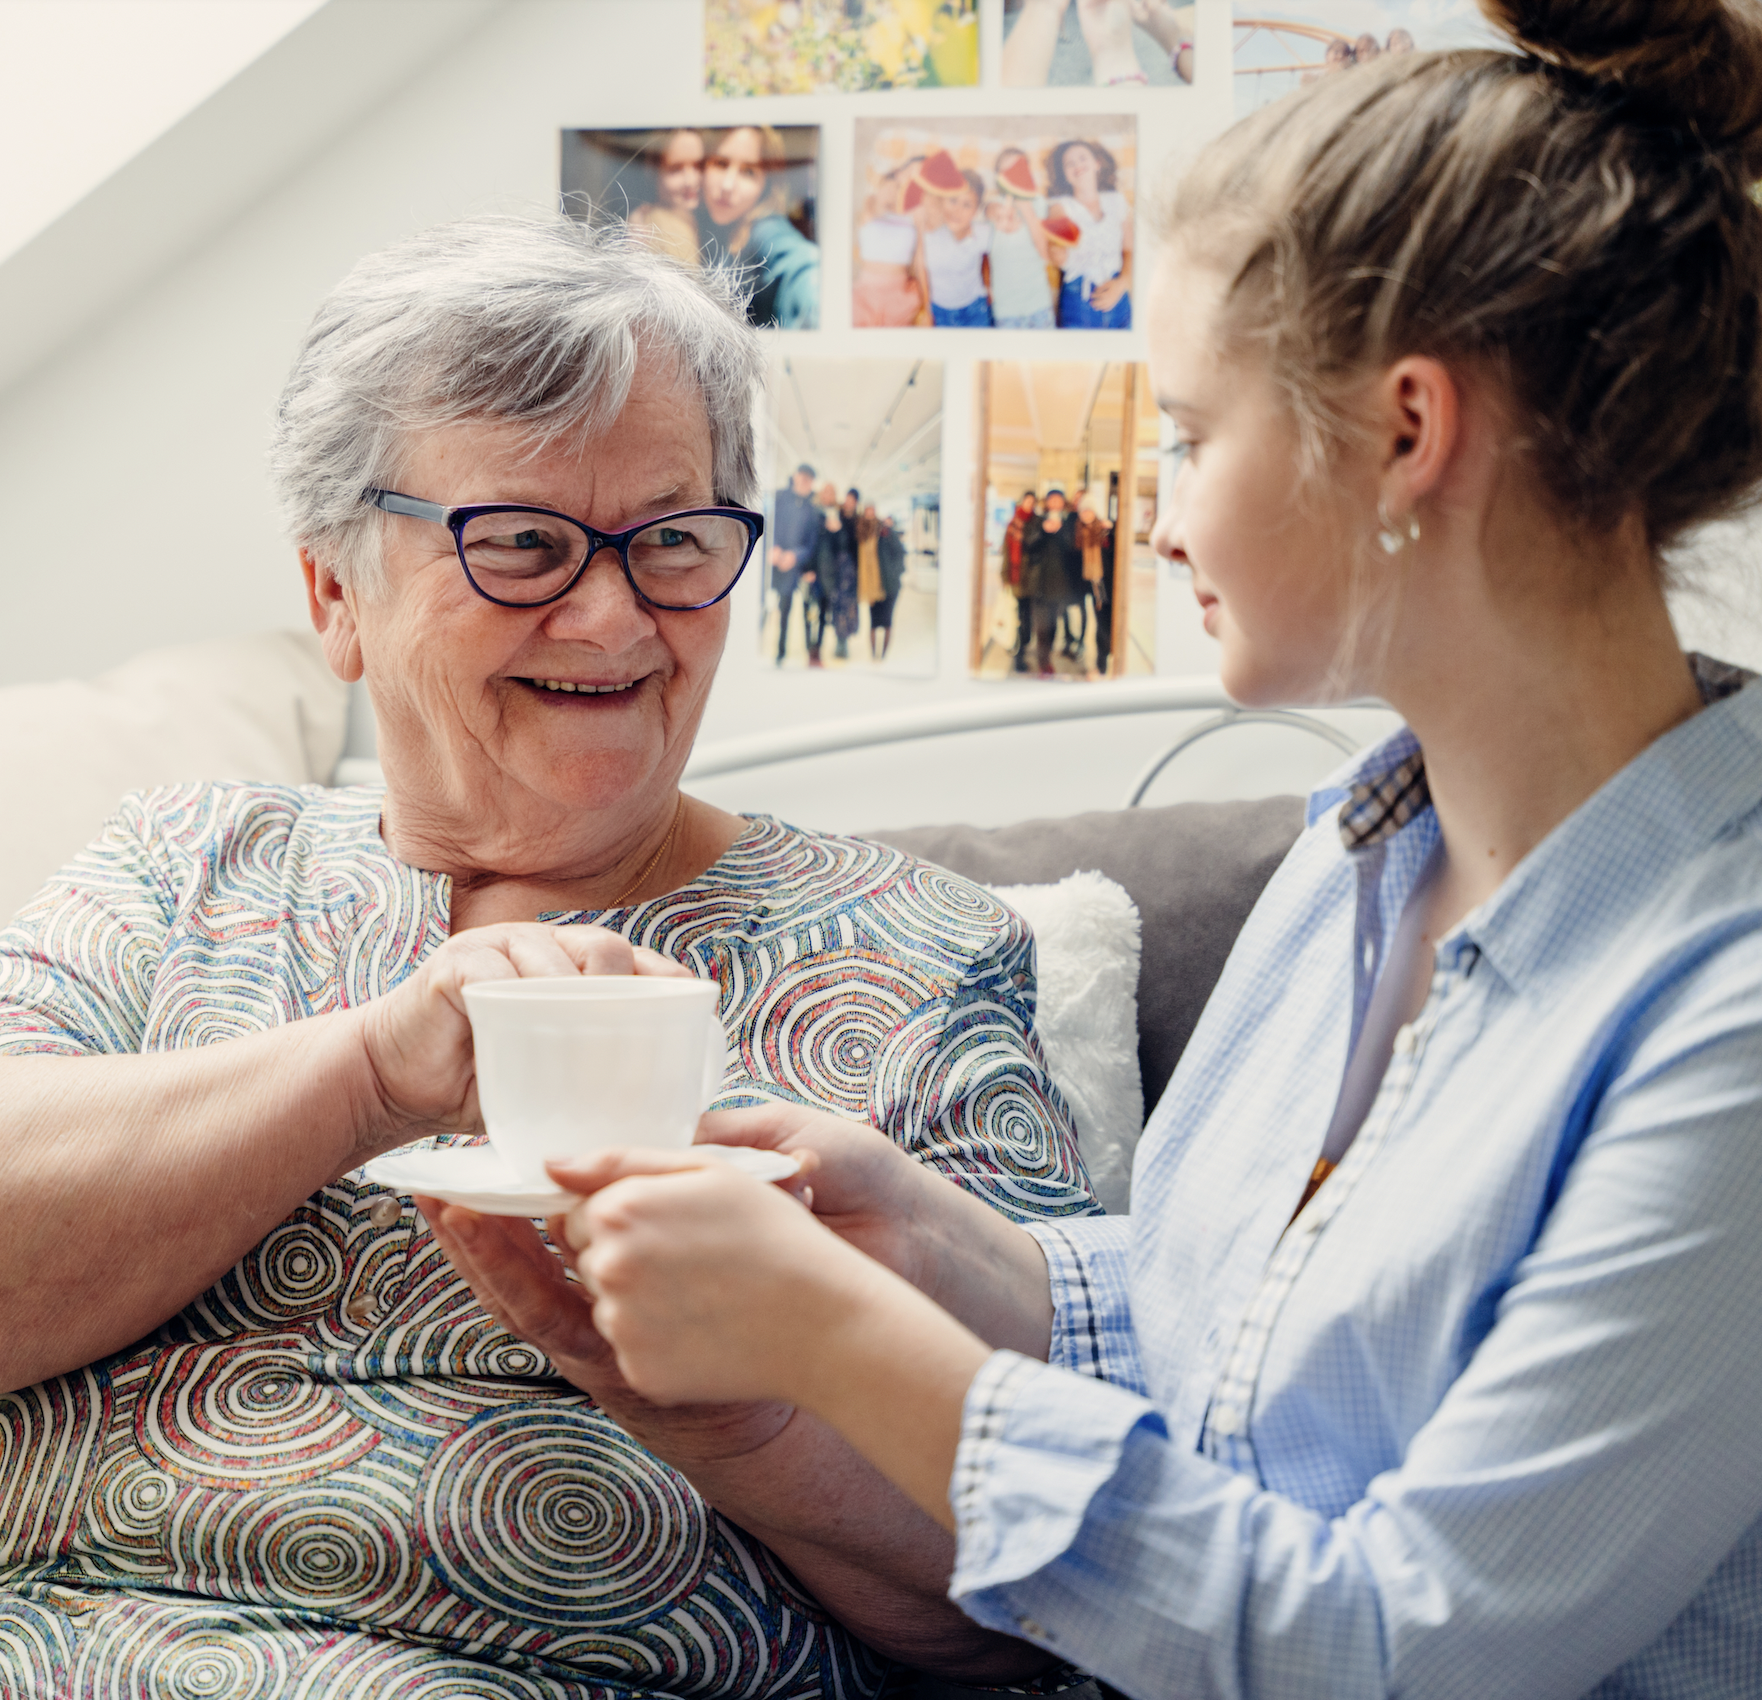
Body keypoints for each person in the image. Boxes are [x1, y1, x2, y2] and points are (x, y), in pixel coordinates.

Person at [457, 4, 1762, 1694]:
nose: (1155, 508)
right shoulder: (1366, 861)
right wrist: (914, 1240)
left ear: (1404, 433)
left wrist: (839, 1344)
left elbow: (1385, 1647)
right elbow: (1229, 1339)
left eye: (1192, 436)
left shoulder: (1720, 1015)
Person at [0, 216, 1099, 1696]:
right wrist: (370, 1074)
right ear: (335, 595)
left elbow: (1050, 1600)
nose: (609, 615)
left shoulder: (909, 958)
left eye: (671, 541)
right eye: (520, 544)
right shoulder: (184, 870)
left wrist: (744, 1424)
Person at [698, 124, 819, 329]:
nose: (727, 185)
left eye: (748, 172)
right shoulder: (712, 229)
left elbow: (801, 265)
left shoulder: (766, 230)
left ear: (766, 186)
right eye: (720, 163)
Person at [1046, 138, 1132, 329]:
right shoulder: (1059, 207)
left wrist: (1122, 283)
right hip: (1078, 301)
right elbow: (1058, 251)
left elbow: (1130, 250)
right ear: (1065, 175)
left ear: (1097, 164)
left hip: (1119, 297)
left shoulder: (1117, 200)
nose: (1077, 165)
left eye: (1083, 158)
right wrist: (1057, 252)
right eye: (1070, 163)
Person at [985, 149, 1057, 329]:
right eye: (1007, 171)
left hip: (1039, 304)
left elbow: (1044, 254)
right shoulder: (993, 203)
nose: (1014, 175)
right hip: (1005, 308)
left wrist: (1026, 209)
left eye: (1019, 169)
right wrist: (999, 214)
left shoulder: (1039, 204)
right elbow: (991, 211)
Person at [917, 169, 994, 328]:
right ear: (942, 200)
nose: (957, 210)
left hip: (976, 308)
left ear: (976, 211)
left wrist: (990, 287)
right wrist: (926, 310)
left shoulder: (983, 233)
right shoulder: (928, 234)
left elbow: (992, 258)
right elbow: (921, 271)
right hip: (939, 311)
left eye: (967, 205)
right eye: (953, 200)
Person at [853, 163, 925, 327]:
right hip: (866, 291)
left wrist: (920, 287)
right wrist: (895, 182)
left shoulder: (915, 214)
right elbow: (875, 207)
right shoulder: (873, 203)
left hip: (900, 291)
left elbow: (919, 256)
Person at [1021, 488, 1082, 675]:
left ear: (1063, 503)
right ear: (1046, 503)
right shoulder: (1037, 522)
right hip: (1040, 583)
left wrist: (1060, 530)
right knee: (1041, 627)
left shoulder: (1069, 523)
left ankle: (1047, 657)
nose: (1055, 504)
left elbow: (1073, 549)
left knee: (1053, 626)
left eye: (1059, 500)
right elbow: (1028, 546)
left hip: (1059, 584)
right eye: (1052, 500)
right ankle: (1043, 662)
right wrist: (1043, 531)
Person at [626, 127, 705, 269]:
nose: (691, 181)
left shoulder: (684, 218)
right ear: (653, 171)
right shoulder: (669, 229)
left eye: (699, 166)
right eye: (675, 169)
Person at [768, 460, 823, 666]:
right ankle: (769, 651)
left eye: (809, 481)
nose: (805, 483)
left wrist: (795, 556)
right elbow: (766, 523)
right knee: (768, 608)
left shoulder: (812, 510)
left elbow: (811, 544)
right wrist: (772, 547)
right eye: (803, 478)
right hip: (771, 562)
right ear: (795, 476)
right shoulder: (779, 498)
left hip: (795, 567)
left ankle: (790, 653)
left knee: (790, 610)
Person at [1003, 489, 1039, 672]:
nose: (1030, 505)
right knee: (1018, 618)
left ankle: (1022, 646)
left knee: (1027, 619)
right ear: (1022, 502)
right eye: (1027, 501)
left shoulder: (1037, 522)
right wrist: (1005, 577)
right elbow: (1006, 552)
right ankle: (1019, 655)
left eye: (1033, 502)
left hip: (1032, 580)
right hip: (1017, 579)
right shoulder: (1014, 523)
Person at [1076, 490, 1111, 672]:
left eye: (1090, 510)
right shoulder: (1076, 532)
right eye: (1083, 511)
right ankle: (1079, 646)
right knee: (1081, 618)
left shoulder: (1104, 533)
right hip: (1081, 583)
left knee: (1102, 621)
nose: (1086, 514)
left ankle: (1102, 657)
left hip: (1101, 584)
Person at [873, 513, 907, 661]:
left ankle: (883, 656)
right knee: (873, 623)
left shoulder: (895, 540)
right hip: (875, 588)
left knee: (887, 622)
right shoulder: (875, 539)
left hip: (891, 589)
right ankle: (875, 656)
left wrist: (892, 577)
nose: (885, 526)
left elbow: (901, 565)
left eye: (889, 523)